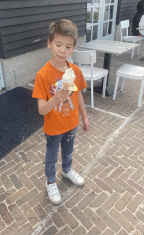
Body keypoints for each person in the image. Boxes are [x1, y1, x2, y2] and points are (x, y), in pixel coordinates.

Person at [32, 19, 89, 205]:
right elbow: (41, 110)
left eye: (68, 46)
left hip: (71, 123)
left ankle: (66, 169)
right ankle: (50, 182)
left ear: (73, 49)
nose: (62, 50)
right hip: (53, 126)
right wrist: (56, 98)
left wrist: (85, 117)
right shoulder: (42, 75)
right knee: (51, 156)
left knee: (68, 152)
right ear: (49, 43)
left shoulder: (75, 71)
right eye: (58, 44)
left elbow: (78, 95)